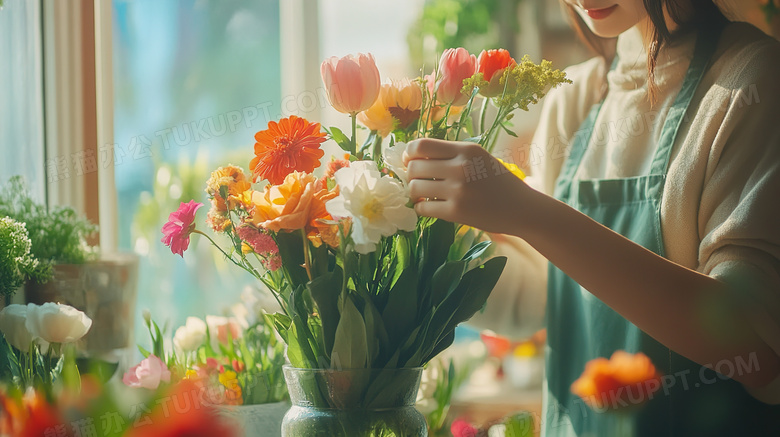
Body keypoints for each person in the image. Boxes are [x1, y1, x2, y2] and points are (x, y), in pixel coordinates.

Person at [403, 0, 780, 435]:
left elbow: (753, 342)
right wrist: (421, 245)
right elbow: (544, 295)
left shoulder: (751, 81)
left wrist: (529, 214)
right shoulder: (575, 98)